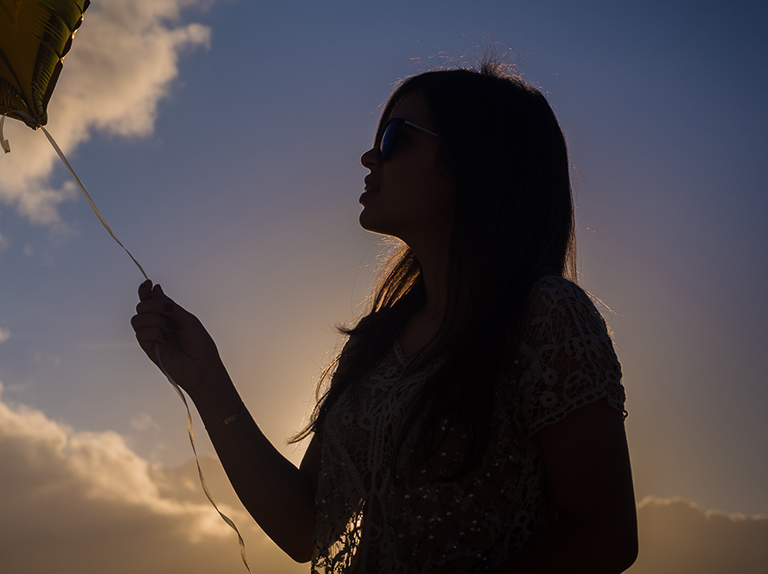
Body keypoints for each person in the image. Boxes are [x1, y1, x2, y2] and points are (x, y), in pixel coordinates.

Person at [130, 61, 638, 573]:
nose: (370, 156)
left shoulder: (547, 316)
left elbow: (603, 534)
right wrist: (206, 379)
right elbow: (305, 529)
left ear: (476, 161)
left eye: (396, 136)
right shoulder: (377, 341)